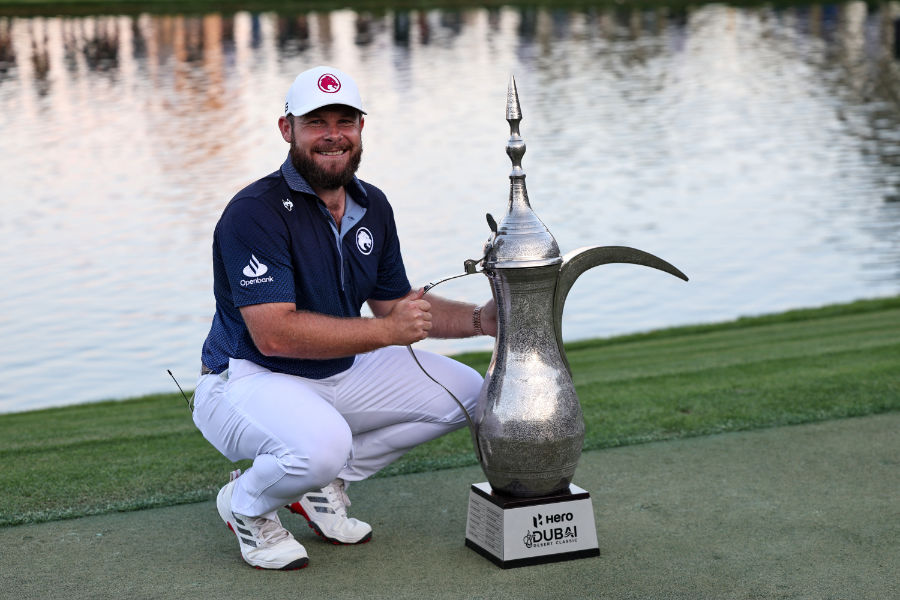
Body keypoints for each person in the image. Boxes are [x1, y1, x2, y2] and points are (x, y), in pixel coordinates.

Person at [193, 65, 497, 571]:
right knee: (322, 445)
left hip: (337, 369)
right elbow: (273, 334)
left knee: (471, 396)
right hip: (243, 378)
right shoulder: (254, 211)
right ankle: (245, 504)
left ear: (360, 129)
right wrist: (384, 333)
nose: (332, 135)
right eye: (316, 122)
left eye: (345, 120)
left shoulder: (371, 203)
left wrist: (483, 321)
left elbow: (395, 305)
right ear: (287, 129)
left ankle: (319, 487)